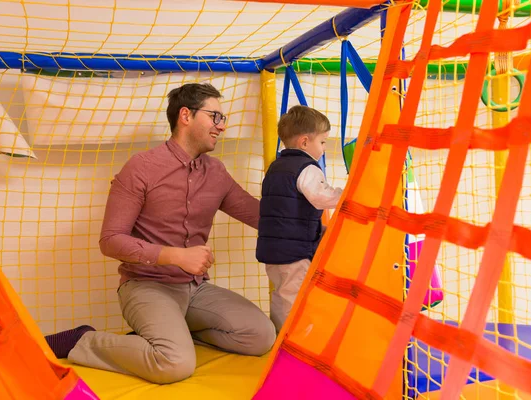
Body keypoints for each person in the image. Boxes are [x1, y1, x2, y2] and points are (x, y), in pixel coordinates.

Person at [45, 83, 276, 384]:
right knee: (174, 364)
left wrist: (318, 221)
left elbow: (259, 216)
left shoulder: (216, 172)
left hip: (195, 290)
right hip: (146, 286)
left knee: (262, 336)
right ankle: (81, 340)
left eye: (223, 118)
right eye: (215, 116)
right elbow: (110, 240)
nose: (222, 126)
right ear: (186, 116)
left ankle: (176, 333)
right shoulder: (141, 168)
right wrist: (176, 256)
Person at [256, 105, 343, 332]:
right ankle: (294, 340)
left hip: (273, 249)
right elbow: (320, 198)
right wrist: (347, 194)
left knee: (282, 294)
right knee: (295, 297)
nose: (324, 149)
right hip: (293, 252)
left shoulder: (276, 167)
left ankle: (280, 335)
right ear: (305, 142)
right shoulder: (307, 168)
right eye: (322, 142)